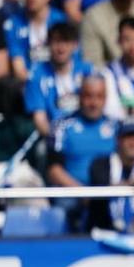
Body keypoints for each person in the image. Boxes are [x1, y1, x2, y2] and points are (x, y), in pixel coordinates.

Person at [47, 75, 118, 226]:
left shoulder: (116, 127)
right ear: (80, 97)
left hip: (108, 194)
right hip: (72, 193)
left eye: (99, 96)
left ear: (105, 99)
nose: (94, 103)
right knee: (63, 207)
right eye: (88, 96)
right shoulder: (62, 126)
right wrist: (83, 193)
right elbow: (54, 170)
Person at [24, 22, 91, 138]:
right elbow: (40, 120)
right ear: (48, 45)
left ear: (75, 45)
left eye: (66, 42)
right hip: (56, 137)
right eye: (56, 42)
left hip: (87, 131)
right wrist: (58, 139)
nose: (61, 48)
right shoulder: (36, 76)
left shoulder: (87, 71)